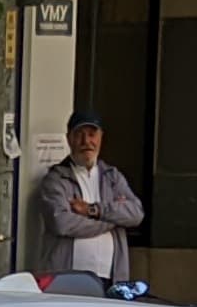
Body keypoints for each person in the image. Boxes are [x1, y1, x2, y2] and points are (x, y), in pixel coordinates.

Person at [34, 112, 145, 286]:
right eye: (79, 135)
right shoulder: (56, 179)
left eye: (92, 135)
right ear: (69, 139)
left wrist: (92, 210)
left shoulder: (112, 177)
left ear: (101, 138)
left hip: (111, 277)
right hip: (67, 277)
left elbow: (136, 214)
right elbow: (61, 223)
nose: (86, 142)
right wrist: (114, 220)